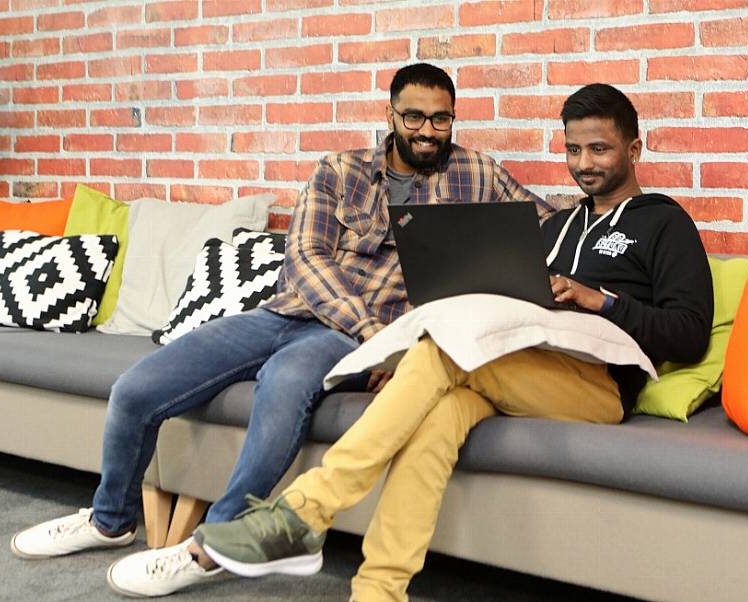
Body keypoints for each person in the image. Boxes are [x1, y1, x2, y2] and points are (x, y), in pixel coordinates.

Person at [8, 62, 554, 598]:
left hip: (341, 342)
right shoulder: (340, 170)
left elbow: (550, 223)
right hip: (290, 313)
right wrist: (367, 328)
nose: (428, 131)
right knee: (135, 388)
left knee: (281, 392)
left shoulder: (477, 174)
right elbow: (305, 256)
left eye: (441, 119)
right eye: (414, 117)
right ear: (390, 114)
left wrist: (611, 232)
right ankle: (110, 520)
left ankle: (214, 546)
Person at [193, 83, 714, 602]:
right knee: (436, 423)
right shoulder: (555, 226)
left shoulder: (665, 224)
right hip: (518, 364)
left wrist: (601, 300)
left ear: (634, 150)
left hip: (596, 388)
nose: (584, 164)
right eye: (573, 149)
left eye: (599, 149)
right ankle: (378, 593)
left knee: (440, 353)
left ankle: (303, 513)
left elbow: (689, 333)